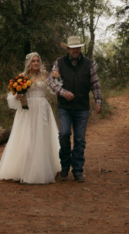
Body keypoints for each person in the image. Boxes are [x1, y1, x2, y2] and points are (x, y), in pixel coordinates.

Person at [0, 52, 61, 184]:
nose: (36, 63)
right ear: (29, 63)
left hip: (42, 108)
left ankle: (41, 170)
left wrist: (57, 78)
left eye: (38, 61)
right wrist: (17, 97)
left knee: (41, 137)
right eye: (33, 61)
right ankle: (22, 170)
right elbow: (13, 95)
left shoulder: (44, 74)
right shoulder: (22, 77)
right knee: (26, 137)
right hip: (27, 109)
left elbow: (54, 90)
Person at [48, 36, 102, 183]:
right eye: (73, 48)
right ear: (68, 49)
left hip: (82, 107)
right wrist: (63, 92)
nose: (75, 50)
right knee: (64, 134)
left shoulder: (88, 64)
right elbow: (51, 81)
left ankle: (78, 170)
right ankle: (65, 165)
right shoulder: (59, 62)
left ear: (80, 49)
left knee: (79, 139)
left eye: (78, 48)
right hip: (64, 107)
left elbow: (95, 84)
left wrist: (98, 101)